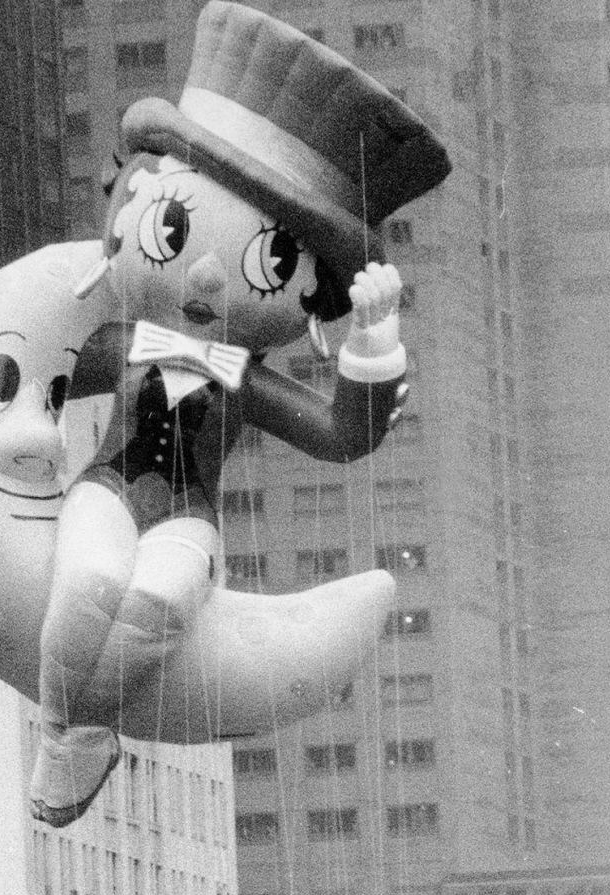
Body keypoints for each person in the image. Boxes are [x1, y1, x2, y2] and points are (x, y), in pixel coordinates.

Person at [27, 0, 448, 825]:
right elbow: (34, 365)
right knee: (88, 583)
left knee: (158, 599)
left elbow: (343, 433)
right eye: (179, 226)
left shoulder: (243, 381)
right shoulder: (118, 344)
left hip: (190, 517)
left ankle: (85, 728)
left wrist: (373, 339)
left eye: (271, 259)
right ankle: (63, 733)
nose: (213, 277)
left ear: (306, 290)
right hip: (107, 488)